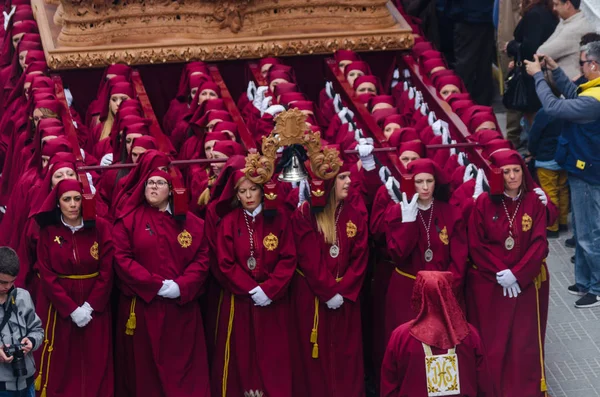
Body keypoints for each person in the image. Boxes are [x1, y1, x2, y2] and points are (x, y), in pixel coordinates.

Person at [112, 150, 211, 397]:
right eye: (150, 183)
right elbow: (122, 259)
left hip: (182, 310)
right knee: (146, 376)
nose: (154, 188)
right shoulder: (128, 220)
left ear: (171, 188)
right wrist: (154, 285)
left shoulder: (192, 223)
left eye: (160, 183)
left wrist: (181, 286)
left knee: (185, 375)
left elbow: (202, 258)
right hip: (144, 310)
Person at [467, 150, 549, 396]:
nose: (512, 176)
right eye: (506, 172)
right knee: (494, 343)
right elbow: (476, 244)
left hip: (522, 285)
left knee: (523, 344)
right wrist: (500, 271)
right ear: (496, 175)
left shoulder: (533, 201)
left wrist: (518, 274)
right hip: (491, 285)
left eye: (516, 170)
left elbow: (539, 243)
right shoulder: (483, 202)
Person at [212, 160, 296, 397]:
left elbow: (288, 257)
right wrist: (252, 289)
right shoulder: (228, 222)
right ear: (236, 194)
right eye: (242, 191)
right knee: (242, 354)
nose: (249, 195)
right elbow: (225, 263)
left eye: (253, 189)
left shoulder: (279, 218)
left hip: (274, 301)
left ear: (262, 190)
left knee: (274, 354)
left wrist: (269, 290)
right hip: (241, 302)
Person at [526, 43, 600, 307]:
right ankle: (584, 281)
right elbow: (573, 94)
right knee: (582, 229)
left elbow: (556, 108)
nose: (580, 69)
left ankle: (596, 286)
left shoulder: (595, 100)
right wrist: (555, 72)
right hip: (582, 169)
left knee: (590, 232)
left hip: (590, 174)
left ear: (593, 65)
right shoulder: (593, 91)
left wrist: (538, 76)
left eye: (582, 63)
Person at [291, 147, 369, 397]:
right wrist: (328, 291)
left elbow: (360, 257)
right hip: (314, 298)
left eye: (348, 176)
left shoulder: (354, 213)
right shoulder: (305, 214)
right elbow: (309, 259)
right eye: (342, 177)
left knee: (347, 356)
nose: (349, 181)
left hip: (346, 299)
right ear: (326, 181)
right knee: (317, 360)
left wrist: (344, 289)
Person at [32, 179, 113, 397]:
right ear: (58, 203)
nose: (73, 204)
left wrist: (90, 306)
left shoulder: (100, 227)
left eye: (77, 198)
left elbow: (107, 269)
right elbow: (46, 275)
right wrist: (71, 309)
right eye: (66, 199)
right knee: (62, 360)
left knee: (95, 358)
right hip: (60, 308)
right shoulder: (48, 232)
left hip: (94, 306)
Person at [384, 159, 467, 343]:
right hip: (407, 289)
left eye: (429, 181)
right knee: (409, 344)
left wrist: (445, 288)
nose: (425, 187)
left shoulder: (451, 213)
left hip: (443, 290)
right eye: (419, 182)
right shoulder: (396, 212)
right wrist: (407, 223)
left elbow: (459, 259)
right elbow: (397, 254)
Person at [380, 271, 493, 397]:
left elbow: (389, 386)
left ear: (418, 293)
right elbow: (484, 386)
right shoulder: (470, 335)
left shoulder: (400, 336)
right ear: (449, 293)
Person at [0, 246, 43, 397]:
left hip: (27, 382)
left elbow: (38, 330)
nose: (7, 286)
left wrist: (31, 341)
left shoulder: (23, 296)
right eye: (2, 282)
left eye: (12, 282)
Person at [505, 0, 557, 113]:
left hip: (531, 74)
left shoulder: (535, 13)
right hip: (542, 73)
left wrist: (511, 46)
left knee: (531, 116)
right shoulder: (548, 10)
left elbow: (529, 48)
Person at [448, 0, 496, 105]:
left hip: (468, 17)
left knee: (467, 67)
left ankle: (463, 105)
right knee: (483, 66)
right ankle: (482, 107)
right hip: (485, 16)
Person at [536, 0, 594, 80]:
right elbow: (546, 48)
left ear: (567, 4)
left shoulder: (574, 29)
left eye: (556, 4)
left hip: (570, 86)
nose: (554, 8)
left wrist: (550, 58)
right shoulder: (567, 21)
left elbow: (541, 52)